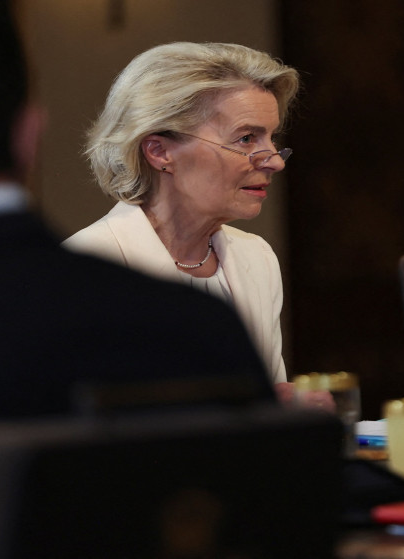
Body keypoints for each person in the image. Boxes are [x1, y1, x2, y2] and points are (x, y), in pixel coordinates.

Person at [0, 3, 276, 542]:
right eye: (246, 138)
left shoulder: (237, 273)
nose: (274, 159)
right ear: (29, 134)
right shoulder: (191, 323)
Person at [64, 41, 296, 398]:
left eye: (271, 138)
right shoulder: (86, 268)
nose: (275, 161)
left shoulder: (257, 257)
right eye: (246, 138)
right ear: (159, 151)